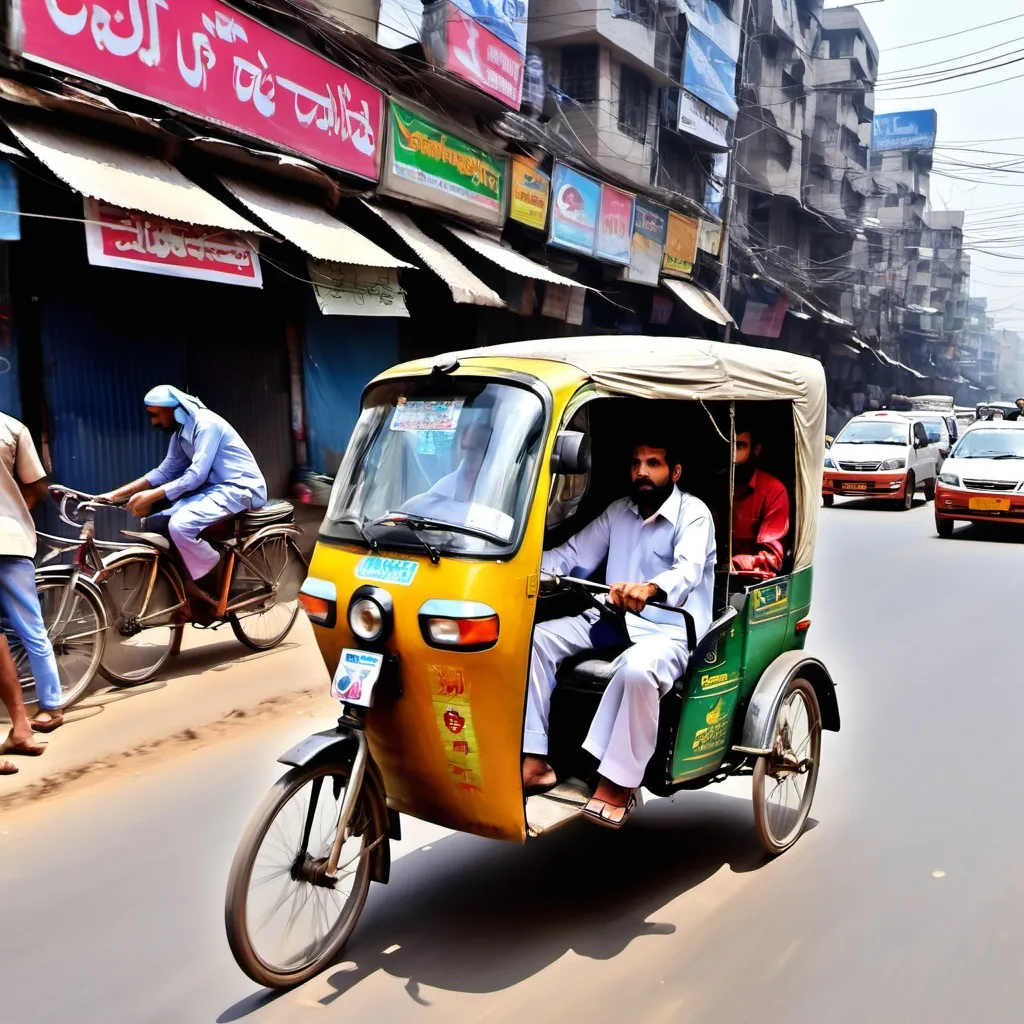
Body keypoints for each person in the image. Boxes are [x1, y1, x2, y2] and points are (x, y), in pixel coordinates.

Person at [522, 439, 716, 828]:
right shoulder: (618, 512)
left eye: (653, 463)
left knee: (637, 670)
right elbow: (572, 555)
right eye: (635, 463)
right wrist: (517, 567)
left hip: (671, 630)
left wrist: (651, 588)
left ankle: (619, 782)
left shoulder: (695, 515)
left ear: (674, 472)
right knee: (535, 641)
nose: (642, 471)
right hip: (613, 622)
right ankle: (535, 757)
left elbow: (688, 570)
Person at [101, 387, 267, 602]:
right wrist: (113, 495)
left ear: (175, 410)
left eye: (155, 415)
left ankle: (214, 580)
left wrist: (151, 496)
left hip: (240, 488)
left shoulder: (207, 424)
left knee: (180, 525)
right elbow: (165, 471)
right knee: (154, 523)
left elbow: (196, 476)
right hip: (214, 492)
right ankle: (186, 586)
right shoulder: (180, 434)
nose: (153, 422)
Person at [0, 411, 64, 735]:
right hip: (11, 538)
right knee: (31, 627)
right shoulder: (12, 427)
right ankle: (51, 707)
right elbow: (37, 487)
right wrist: (12, 511)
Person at [729, 424, 790, 581]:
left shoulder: (773, 491)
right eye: (729, 446)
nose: (732, 455)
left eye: (740, 446)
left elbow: (772, 558)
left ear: (755, 450)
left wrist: (737, 562)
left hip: (748, 580)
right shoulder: (713, 485)